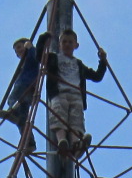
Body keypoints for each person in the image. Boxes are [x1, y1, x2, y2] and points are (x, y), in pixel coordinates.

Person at [43, 28, 108, 156]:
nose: (67, 44)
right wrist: (44, 38)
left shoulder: (78, 64)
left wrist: (103, 61)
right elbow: (39, 55)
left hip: (76, 95)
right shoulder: (53, 58)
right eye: (64, 42)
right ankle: (62, 140)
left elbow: (96, 76)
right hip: (59, 93)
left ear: (76, 45)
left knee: (76, 119)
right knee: (58, 115)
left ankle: (75, 145)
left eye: (70, 42)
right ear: (59, 44)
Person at [0, 33, 48, 152]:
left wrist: (30, 47)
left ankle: (12, 111)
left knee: (12, 98)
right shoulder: (24, 64)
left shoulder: (31, 57)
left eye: (19, 47)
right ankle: (30, 143)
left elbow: (36, 57)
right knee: (23, 119)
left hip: (26, 86)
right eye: (16, 50)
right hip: (27, 92)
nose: (18, 52)